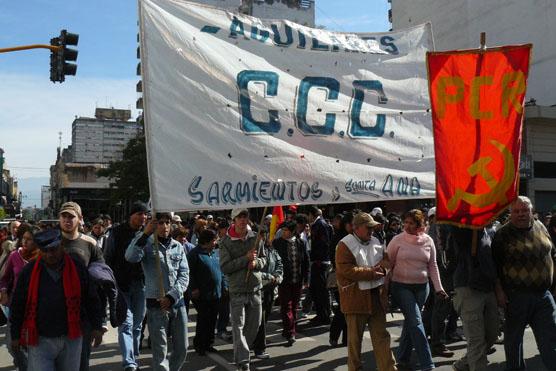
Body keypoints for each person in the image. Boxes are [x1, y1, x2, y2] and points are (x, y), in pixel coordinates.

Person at [9, 229, 104, 371]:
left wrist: (97, 326)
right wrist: (15, 335)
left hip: (72, 337)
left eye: (53, 249)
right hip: (40, 340)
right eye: (45, 251)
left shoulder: (77, 268)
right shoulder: (29, 271)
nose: (50, 254)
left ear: (62, 247)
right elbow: (18, 304)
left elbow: (91, 298)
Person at [492, 196, 556, 370]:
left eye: (525, 210)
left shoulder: (541, 226)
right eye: (516, 211)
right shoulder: (502, 234)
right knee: (514, 342)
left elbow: (552, 253)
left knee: (550, 341)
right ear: (510, 213)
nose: (521, 214)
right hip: (516, 296)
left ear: (531, 211)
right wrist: (499, 292)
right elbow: (495, 268)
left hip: (544, 296)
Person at [126, 212, 189, 371]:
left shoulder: (178, 246)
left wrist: (172, 296)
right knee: (160, 352)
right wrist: (145, 233)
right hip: (156, 305)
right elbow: (130, 257)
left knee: (182, 348)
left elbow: (184, 275)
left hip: (177, 303)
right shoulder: (147, 243)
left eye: (167, 222)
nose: (164, 226)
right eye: (160, 223)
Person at [386, 209, 447, 371]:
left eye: (411, 223)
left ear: (420, 224)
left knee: (411, 322)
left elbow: (433, 265)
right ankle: (428, 364)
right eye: (405, 222)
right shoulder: (397, 240)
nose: (407, 226)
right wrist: (384, 289)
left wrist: (439, 288)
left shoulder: (428, 241)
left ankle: (402, 359)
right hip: (401, 286)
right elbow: (387, 264)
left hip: (422, 288)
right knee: (416, 321)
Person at [336, 212, 397, 371]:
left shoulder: (376, 240)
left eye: (372, 227)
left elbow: (386, 262)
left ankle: (389, 369)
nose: (371, 230)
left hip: (377, 297)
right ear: (355, 228)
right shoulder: (344, 244)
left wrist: (383, 270)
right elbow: (345, 269)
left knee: (382, 338)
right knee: (355, 342)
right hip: (355, 299)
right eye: (368, 227)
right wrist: (370, 272)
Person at [57, 201, 105, 371]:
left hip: (82, 314)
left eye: (71, 216)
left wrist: (98, 324)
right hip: (53, 314)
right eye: (64, 216)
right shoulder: (50, 243)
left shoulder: (90, 243)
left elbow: (101, 280)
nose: (67, 220)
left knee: (81, 363)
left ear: (80, 219)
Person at [219, 208, 266, 371]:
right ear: (234, 219)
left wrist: (256, 263)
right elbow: (225, 267)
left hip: (255, 288)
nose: (243, 220)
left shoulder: (256, 237)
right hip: (237, 290)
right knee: (238, 327)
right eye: (240, 217)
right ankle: (243, 361)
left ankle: (240, 352)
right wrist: (244, 259)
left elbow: (264, 259)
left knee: (255, 325)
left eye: (245, 216)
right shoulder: (225, 242)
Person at [104, 201, 149, 371]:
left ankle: (134, 354)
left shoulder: (149, 234)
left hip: (142, 285)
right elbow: (107, 257)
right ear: (131, 215)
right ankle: (129, 362)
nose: (143, 217)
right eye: (139, 213)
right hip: (121, 285)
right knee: (126, 324)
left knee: (137, 324)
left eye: (145, 214)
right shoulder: (115, 233)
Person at [450, 227, 498, 371]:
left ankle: (463, 364)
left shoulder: (488, 232)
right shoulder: (461, 230)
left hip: (487, 288)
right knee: (476, 340)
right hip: (468, 288)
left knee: (492, 334)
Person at [0, 223, 38, 371]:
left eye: (29, 239)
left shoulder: (43, 257)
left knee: (31, 345)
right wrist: (4, 292)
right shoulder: (15, 255)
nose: (25, 242)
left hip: (36, 308)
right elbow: (4, 278)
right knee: (11, 344)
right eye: (24, 238)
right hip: (16, 307)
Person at [188, 229, 224, 355]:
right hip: (202, 294)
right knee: (203, 319)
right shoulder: (195, 254)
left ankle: (209, 343)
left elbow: (220, 271)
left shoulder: (214, 253)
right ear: (207, 241)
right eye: (214, 240)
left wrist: (224, 286)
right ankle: (199, 345)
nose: (216, 242)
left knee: (212, 319)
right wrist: (193, 288)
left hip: (216, 293)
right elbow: (188, 273)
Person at [274, 221, 309, 346]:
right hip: (284, 280)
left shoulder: (301, 242)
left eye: (286, 230)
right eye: (282, 230)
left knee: (294, 306)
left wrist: (306, 279)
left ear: (292, 231)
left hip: (297, 279)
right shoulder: (277, 243)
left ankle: (288, 328)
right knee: (286, 306)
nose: (284, 233)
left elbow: (305, 261)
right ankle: (290, 332)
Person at [253, 233, 283, 359]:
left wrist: (277, 276)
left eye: (265, 236)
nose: (264, 239)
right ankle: (259, 347)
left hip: (271, 288)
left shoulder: (272, 251)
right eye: (260, 236)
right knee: (259, 318)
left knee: (265, 317)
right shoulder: (254, 252)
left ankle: (255, 340)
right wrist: (267, 277)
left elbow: (279, 265)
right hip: (257, 289)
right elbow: (255, 271)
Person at [307, 206, 333, 325]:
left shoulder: (320, 225)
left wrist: (317, 258)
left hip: (320, 262)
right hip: (321, 260)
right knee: (318, 290)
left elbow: (324, 243)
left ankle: (324, 315)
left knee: (320, 290)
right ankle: (322, 314)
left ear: (311, 214)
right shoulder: (321, 224)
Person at [329, 212, 352, 347]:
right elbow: (333, 256)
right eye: (351, 224)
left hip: (352, 279)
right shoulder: (339, 238)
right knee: (342, 308)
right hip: (341, 277)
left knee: (349, 310)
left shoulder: (355, 237)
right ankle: (334, 335)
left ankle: (347, 338)